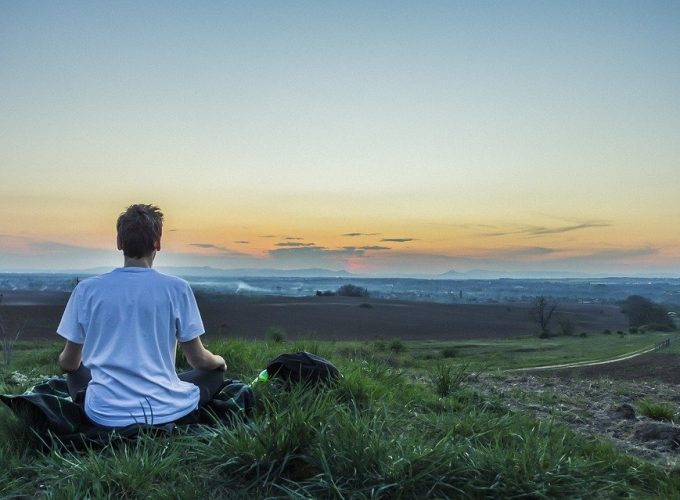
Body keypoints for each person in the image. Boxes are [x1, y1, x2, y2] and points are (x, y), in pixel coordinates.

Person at [57, 203, 226, 428]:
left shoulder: (87, 290)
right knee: (213, 375)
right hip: (165, 410)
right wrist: (219, 361)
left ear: (119, 243)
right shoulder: (177, 288)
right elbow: (197, 360)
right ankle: (167, 396)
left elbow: (68, 363)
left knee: (75, 372)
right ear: (157, 243)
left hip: (104, 414)